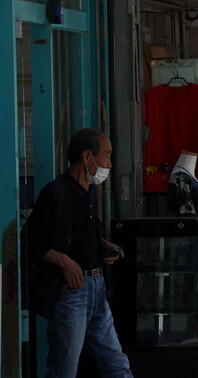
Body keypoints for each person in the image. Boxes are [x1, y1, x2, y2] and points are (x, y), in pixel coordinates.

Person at [21, 128, 133, 378]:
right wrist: (63, 261)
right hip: (72, 293)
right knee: (64, 370)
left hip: (98, 287)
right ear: (87, 157)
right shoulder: (55, 192)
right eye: (107, 156)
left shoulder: (90, 191)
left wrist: (105, 245)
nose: (110, 164)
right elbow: (30, 239)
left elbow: (81, 233)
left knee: (117, 363)